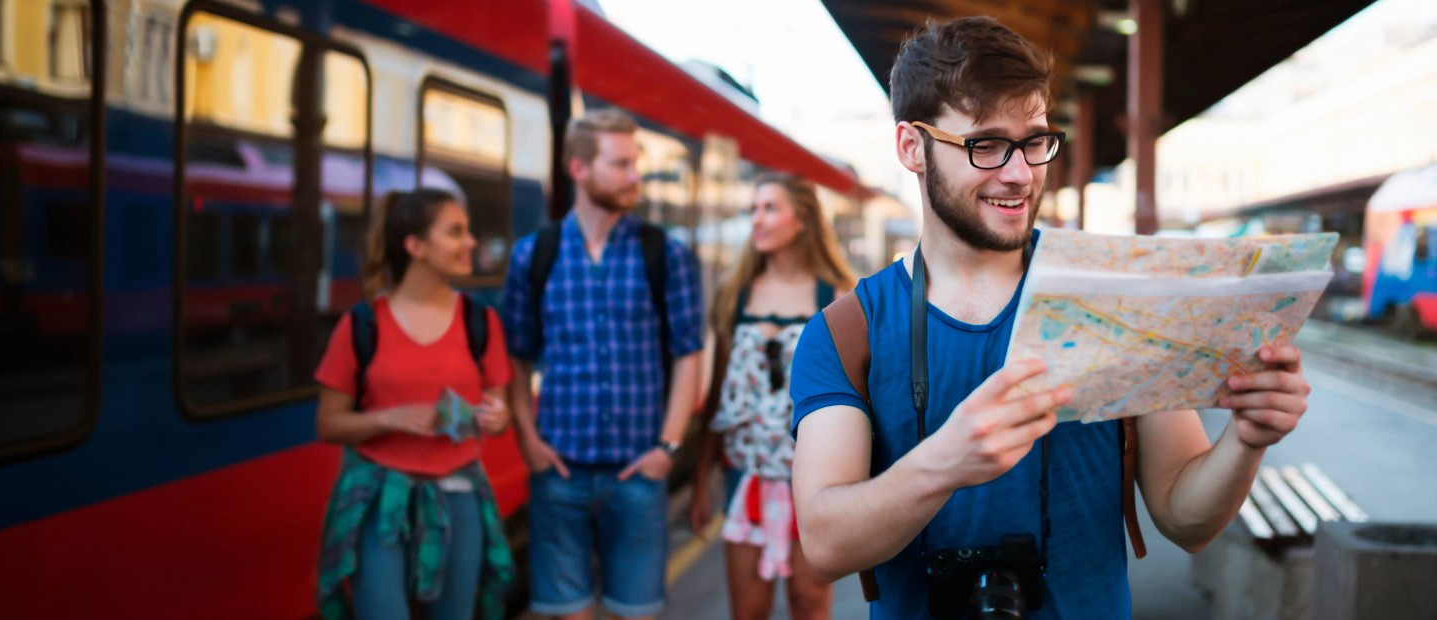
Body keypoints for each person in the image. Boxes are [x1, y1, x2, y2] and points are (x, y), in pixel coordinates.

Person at [788, 17, 1313, 619]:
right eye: (985, 144)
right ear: (912, 147)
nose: (1020, 173)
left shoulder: (1113, 298)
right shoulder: (846, 332)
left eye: (1034, 141)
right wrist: (946, 461)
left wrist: (1247, 439)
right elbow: (825, 543)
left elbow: (1184, 517)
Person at [500, 108, 704, 620]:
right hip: (559, 471)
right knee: (568, 613)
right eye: (620, 164)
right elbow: (517, 357)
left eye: (635, 163)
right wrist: (527, 438)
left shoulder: (665, 254)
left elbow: (688, 354)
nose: (635, 175)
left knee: (633, 613)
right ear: (579, 169)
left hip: (639, 472)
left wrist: (669, 447)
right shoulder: (535, 254)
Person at [313, 189, 515, 620]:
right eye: (456, 232)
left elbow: (499, 414)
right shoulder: (362, 324)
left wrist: (497, 417)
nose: (472, 242)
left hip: (459, 495)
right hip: (381, 501)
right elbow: (328, 424)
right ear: (416, 246)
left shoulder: (481, 323)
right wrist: (389, 418)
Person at [689, 173, 856, 620]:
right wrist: (702, 479)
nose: (756, 220)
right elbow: (719, 394)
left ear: (801, 220)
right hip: (745, 477)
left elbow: (856, 399)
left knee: (809, 603)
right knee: (749, 611)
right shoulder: (735, 294)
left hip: (814, 480)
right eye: (753, 210)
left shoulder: (836, 296)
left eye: (769, 209)